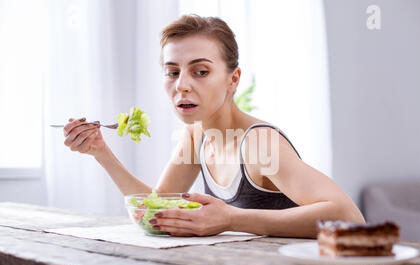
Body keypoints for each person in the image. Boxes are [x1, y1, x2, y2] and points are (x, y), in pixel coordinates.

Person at [63, 15, 365, 238]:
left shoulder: (259, 144)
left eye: (201, 71)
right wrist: (101, 153)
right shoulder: (196, 136)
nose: (181, 85)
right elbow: (157, 208)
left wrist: (231, 218)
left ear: (233, 79)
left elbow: (349, 218)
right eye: (172, 72)